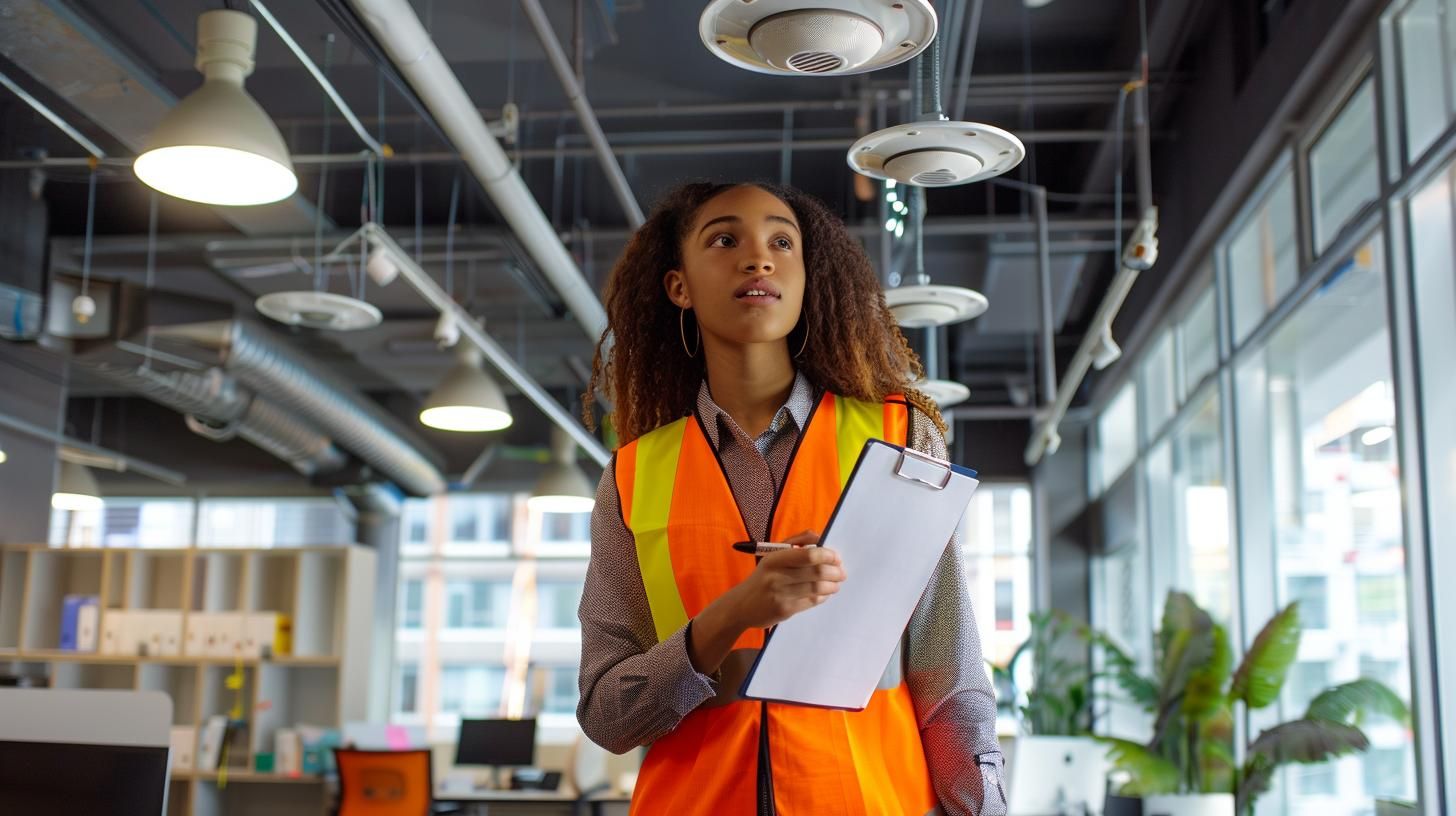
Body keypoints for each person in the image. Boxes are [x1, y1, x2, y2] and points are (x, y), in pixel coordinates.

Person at [576, 181, 1006, 815]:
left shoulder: (897, 438)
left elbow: (950, 680)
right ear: (679, 287)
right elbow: (607, 716)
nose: (759, 258)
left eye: (782, 242)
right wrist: (729, 617)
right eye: (725, 240)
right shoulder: (633, 477)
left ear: (807, 279)